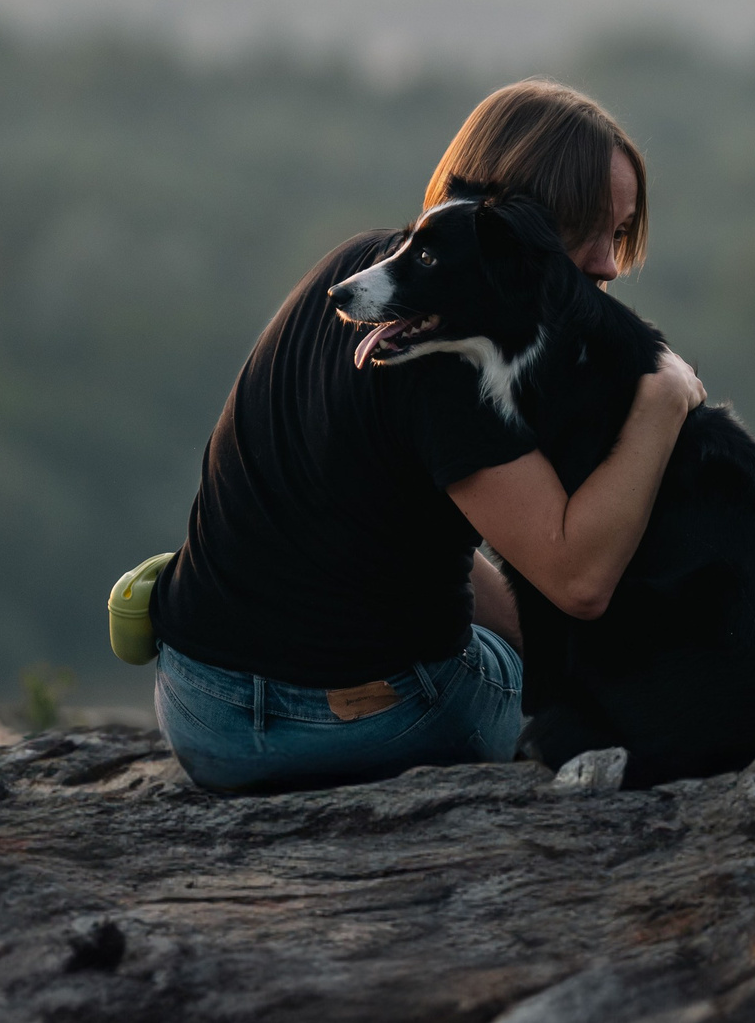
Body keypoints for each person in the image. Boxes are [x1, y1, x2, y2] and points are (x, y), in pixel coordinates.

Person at [146, 79, 706, 792]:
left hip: (199, 711)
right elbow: (580, 580)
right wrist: (664, 396)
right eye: (585, 229)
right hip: (358, 725)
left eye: (620, 234)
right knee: (606, 703)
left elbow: (393, 532)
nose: (607, 264)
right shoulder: (455, 350)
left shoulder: (358, 267)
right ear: (518, 222)